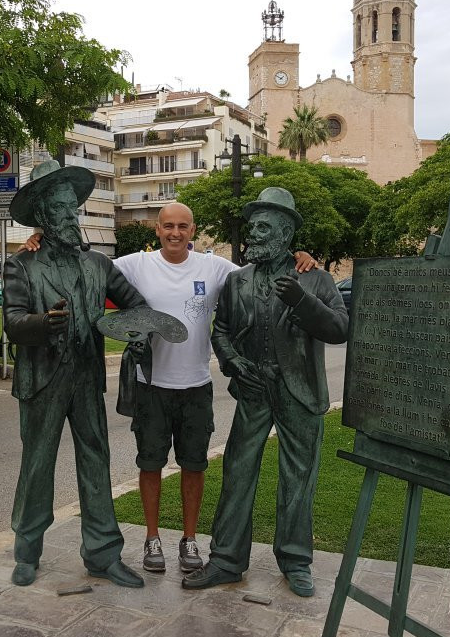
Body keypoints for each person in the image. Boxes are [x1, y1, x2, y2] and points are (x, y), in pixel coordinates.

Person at [24, 202, 316, 575]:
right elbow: (84, 267)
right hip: (150, 386)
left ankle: (189, 538)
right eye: (168, 226)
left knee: (193, 467)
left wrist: (299, 255)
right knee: (150, 465)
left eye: (182, 226)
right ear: (157, 230)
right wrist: (40, 240)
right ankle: (152, 537)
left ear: (193, 230)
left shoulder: (215, 268)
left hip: (196, 385)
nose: (175, 233)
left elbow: (262, 268)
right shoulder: (134, 265)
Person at [182, 187, 349, 597]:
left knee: (298, 478)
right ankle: (226, 560)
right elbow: (220, 330)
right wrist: (233, 362)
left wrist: (302, 300)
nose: (253, 233)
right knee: (238, 472)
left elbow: (340, 329)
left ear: (285, 233)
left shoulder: (315, 277)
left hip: (300, 392)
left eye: (263, 227)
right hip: (254, 389)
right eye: (252, 226)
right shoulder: (237, 281)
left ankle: (295, 561)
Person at [3, 159, 147, 589]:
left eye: (74, 208)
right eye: (63, 210)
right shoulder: (21, 266)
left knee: (96, 461)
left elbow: (135, 305)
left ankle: (103, 554)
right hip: (42, 380)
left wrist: (128, 330)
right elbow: (12, 320)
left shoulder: (99, 265)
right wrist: (40, 325)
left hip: (85, 379)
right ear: (44, 216)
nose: (71, 216)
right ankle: (27, 551)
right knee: (36, 465)